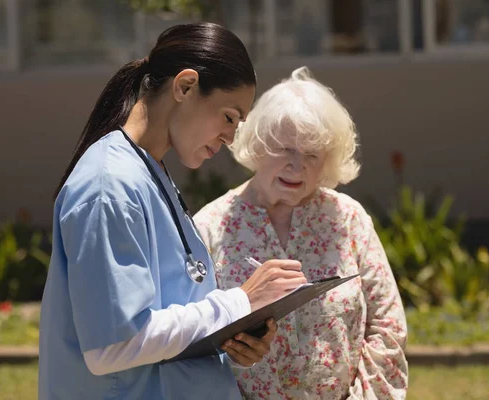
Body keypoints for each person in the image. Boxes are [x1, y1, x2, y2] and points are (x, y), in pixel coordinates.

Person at [38, 23, 307, 400]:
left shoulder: (149, 172)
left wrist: (231, 339)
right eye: (229, 117)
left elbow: (173, 321)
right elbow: (113, 346)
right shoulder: (109, 185)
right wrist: (238, 302)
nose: (231, 138)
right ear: (184, 86)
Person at [194, 67, 409, 399]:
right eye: (285, 149)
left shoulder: (347, 219)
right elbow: (192, 340)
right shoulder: (210, 226)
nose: (298, 166)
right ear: (258, 145)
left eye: (312, 154)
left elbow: (388, 329)